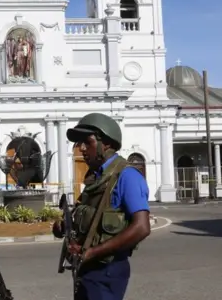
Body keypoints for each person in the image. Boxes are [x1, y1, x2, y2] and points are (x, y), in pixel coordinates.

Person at [52, 113, 152, 300]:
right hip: (87, 268)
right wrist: (65, 228)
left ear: (105, 143)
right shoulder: (96, 178)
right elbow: (90, 220)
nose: (81, 148)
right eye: (79, 143)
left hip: (106, 269)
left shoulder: (127, 176)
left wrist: (93, 252)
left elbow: (141, 228)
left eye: (86, 142)